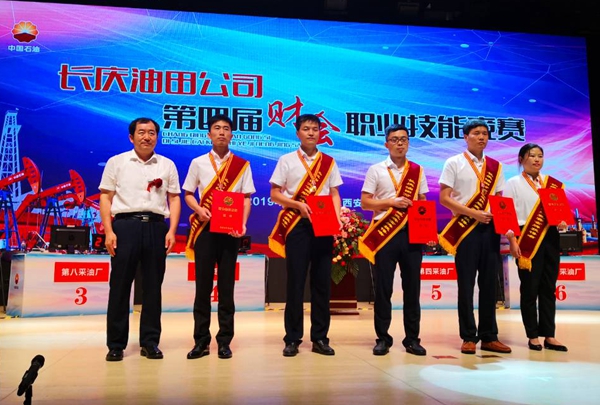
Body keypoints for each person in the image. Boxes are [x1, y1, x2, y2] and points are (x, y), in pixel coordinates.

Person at [100, 117, 181, 361]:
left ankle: (150, 342)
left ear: (157, 136)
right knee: (120, 287)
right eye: (142, 132)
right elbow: (106, 197)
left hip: (156, 227)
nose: (147, 137)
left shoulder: (167, 164)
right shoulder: (117, 162)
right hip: (125, 226)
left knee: (153, 288)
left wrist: (172, 231)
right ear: (131, 137)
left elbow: (174, 198)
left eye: (152, 132)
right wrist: (109, 231)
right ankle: (116, 345)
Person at [269, 113, 343, 357]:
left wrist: (336, 221)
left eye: (315, 129)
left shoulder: (329, 162)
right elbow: (275, 194)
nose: (311, 133)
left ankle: (320, 338)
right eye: (306, 129)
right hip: (297, 226)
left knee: (322, 284)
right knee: (296, 283)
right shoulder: (287, 160)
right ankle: (292, 338)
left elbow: (334, 193)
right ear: (297, 132)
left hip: (324, 225)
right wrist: (297, 205)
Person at [182, 114, 255, 360]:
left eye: (226, 128)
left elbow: (246, 198)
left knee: (226, 288)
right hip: (205, 230)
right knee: (202, 288)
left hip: (230, 231)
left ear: (232, 135)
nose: (221, 132)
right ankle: (200, 341)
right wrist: (198, 209)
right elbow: (188, 194)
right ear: (209, 134)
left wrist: (242, 223)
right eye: (217, 128)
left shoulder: (242, 165)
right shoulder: (198, 162)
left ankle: (224, 341)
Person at [438, 119, 511, 355]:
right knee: (466, 284)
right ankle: (469, 336)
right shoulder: (454, 162)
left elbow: (499, 199)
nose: (481, 137)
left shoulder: (496, 166)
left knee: (490, 284)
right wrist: (472, 213)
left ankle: (489, 336)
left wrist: (507, 229)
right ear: (466, 137)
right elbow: (444, 198)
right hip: (465, 230)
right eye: (476, 133)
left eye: (485, 133)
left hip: (489, 229)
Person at [359, 124, 429, 356]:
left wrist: (427, 228)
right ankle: (383, 338)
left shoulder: (417, 170)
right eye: (395, 139)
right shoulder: (376, 169)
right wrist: (391, 202)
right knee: (383, 289)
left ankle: (412, 339)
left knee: (412, 289)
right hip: (384, 235)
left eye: (404, 139)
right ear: (386, 143)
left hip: (412, 234)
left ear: (408, 143)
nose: (400, 143)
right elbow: (365, 202)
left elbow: (422, 201)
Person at [503, 143, 568, 352]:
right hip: (526, 238)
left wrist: (562, 222)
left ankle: (549, 335)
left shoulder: (552, 184)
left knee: (549, 288)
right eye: (532, 155)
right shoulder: (512, 183)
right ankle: (532, 336)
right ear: (521, 159)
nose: (537, 159)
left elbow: (559, 211)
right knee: (530, 289)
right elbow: (507, 215)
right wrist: (512, 240)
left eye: (540, 155)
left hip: (550, 237)